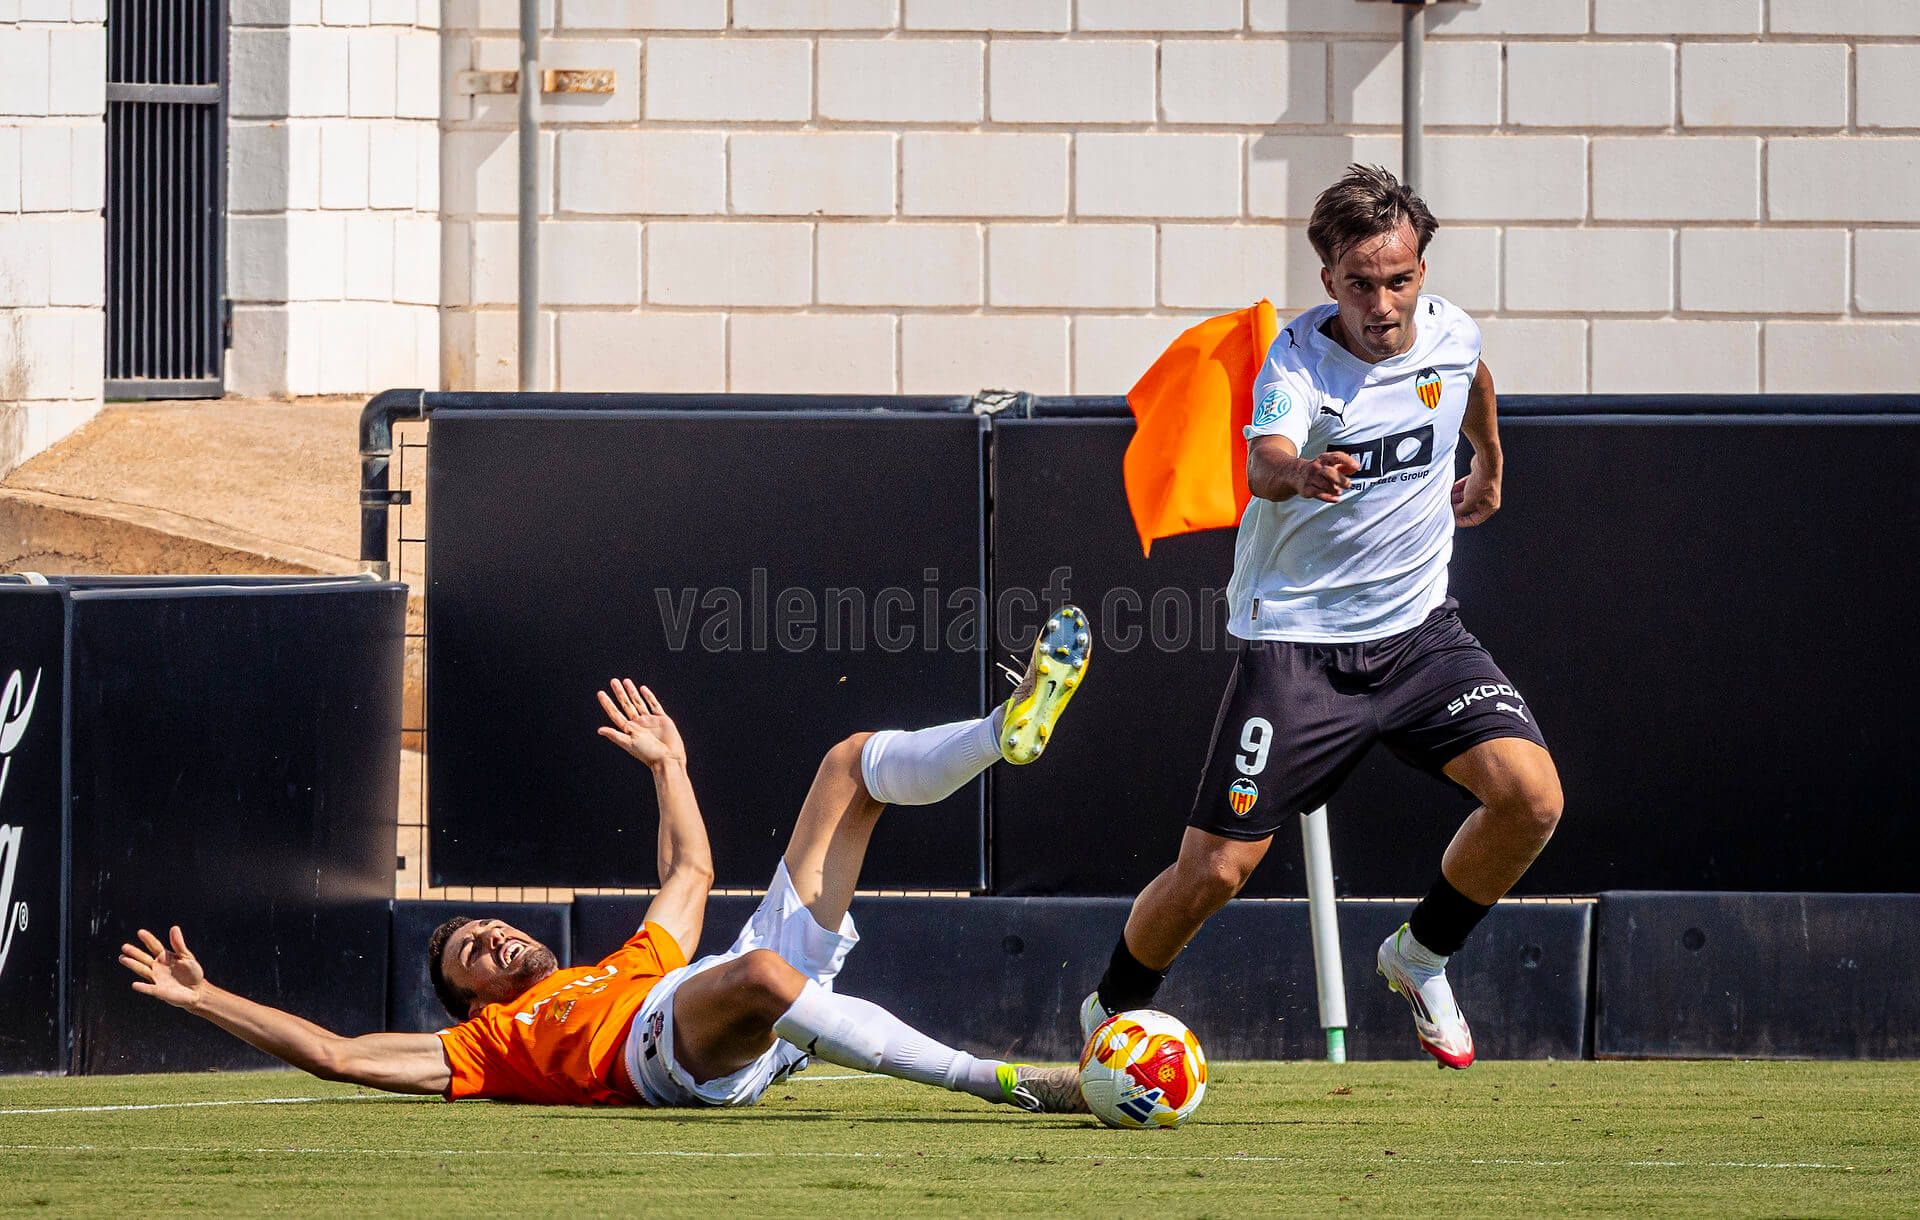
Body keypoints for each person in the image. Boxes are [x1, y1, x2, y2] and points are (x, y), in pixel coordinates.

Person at [120, 607, 1094, 1110]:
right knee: (758, 971)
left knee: (850, 766)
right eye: (468, 951)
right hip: (671, 1052)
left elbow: (692, 875)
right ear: (471, 1000)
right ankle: (1002, 1080)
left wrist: (670, 765)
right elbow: (335, 1055)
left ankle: (1004, 729)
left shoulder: (621, 965)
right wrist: (203, 996)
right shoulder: (487, 1048)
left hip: (713, 997)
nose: (491, 935)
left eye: (485, 923)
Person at [1080, 165, 1564, 1069]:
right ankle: (1110, 1009)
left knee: (1532, 798)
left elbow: (1475, 380)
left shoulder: (1451, 334)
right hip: (1298, 647)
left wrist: (1490, 463)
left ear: (1421, 269)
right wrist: (1303, 473)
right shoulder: (1297, 363)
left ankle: (1419, 958)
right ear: (1328, 280)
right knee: (1216, 873)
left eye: (1399, 279)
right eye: (1360, 283)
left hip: (1420, 638)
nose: (1382, 303)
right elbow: (1263, 461)